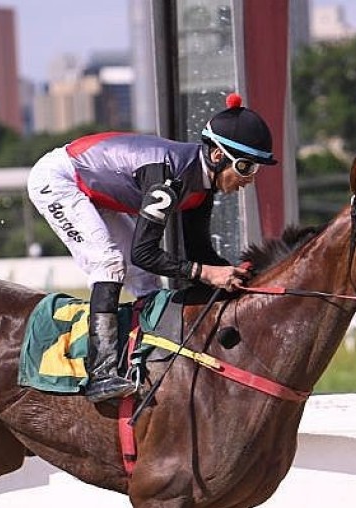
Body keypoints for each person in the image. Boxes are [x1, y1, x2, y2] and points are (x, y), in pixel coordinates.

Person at [27, 93, 278, 403]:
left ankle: (149, 356)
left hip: (99, 190)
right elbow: (143, 252)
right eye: (245, 167)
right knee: (109, 264)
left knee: (145, 281)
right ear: (216, 156)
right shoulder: (169, 179)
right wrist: (208, 272)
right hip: (60, 179)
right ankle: (101, 373)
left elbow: (198, 257)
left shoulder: (201, 189)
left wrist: (239, 278)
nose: (249, 180)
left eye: (255, 170)